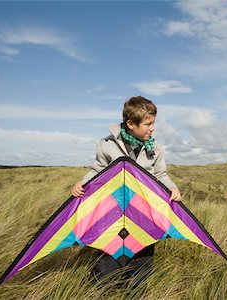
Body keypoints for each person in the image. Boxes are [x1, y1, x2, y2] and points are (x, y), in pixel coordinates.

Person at [72, 95, 181, 283]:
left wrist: (172, 187)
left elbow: (160, 175)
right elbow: (97, 170)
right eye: (148, 124)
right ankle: (100, 287)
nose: (153, 128)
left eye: (153, 123)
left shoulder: (155, 148)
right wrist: (82, 183)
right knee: (107, 261)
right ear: (131, 124)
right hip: (113, 211)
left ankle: (136, 290)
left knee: (143, 257)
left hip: (143, 212)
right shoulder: (107, 145)